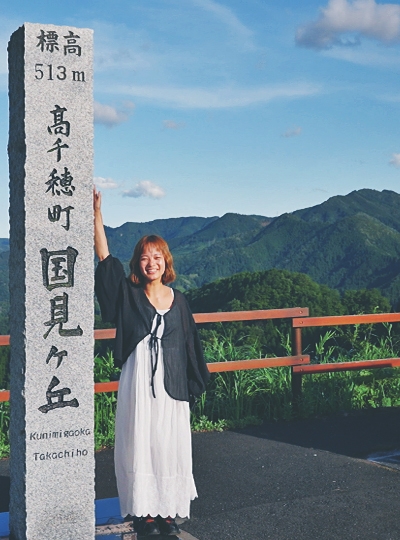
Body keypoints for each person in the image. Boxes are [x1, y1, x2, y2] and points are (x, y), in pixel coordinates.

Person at [93, 189, 210, 536]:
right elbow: (105, 262)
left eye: (157, 257)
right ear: (138, 263)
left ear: (166, 262)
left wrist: (192, 384)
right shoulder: (129, 295)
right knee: (140, 441)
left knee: (168, 444)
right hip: (138, 379)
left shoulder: (180, 300)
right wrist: (97, 216)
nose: (151, 263)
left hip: (171, 384)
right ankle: (144, 513)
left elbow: (190, 346)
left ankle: (168, 512)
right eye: (145, 257)